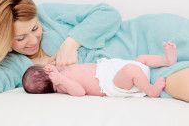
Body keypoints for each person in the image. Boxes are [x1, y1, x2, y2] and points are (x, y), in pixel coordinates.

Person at [0, 0, 189, 102]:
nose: (33, 40)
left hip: (144, 37)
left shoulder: (47, 14)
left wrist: (72, 43)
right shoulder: (14, 67)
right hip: (143, 76)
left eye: (35, 28)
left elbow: (108, 14)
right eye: (19, 38)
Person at [22, 42, 176, 98]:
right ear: (47, 71)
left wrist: (62, 71)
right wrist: (61, 79)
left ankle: (166, 60)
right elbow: (80, 91)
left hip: (112, 71)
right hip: (112, 83)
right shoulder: (62, 86)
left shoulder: (62, 74)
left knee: (141, 60)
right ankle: (151, 91)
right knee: (131, 70)